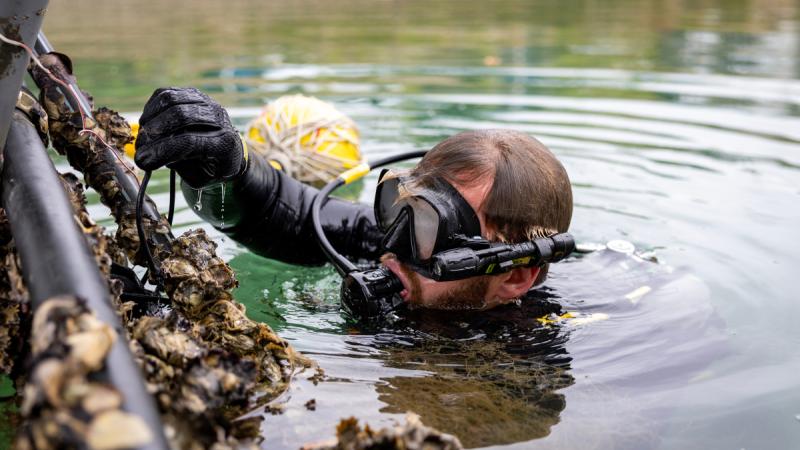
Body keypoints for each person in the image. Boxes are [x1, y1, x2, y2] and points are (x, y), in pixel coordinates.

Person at [134, 87, 573, 313]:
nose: (390, 245)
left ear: (514, 278)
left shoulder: (534, 357)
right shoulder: (393, 242)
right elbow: (284, 210)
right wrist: (224, 167)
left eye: (428, 224)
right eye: (397, 205)